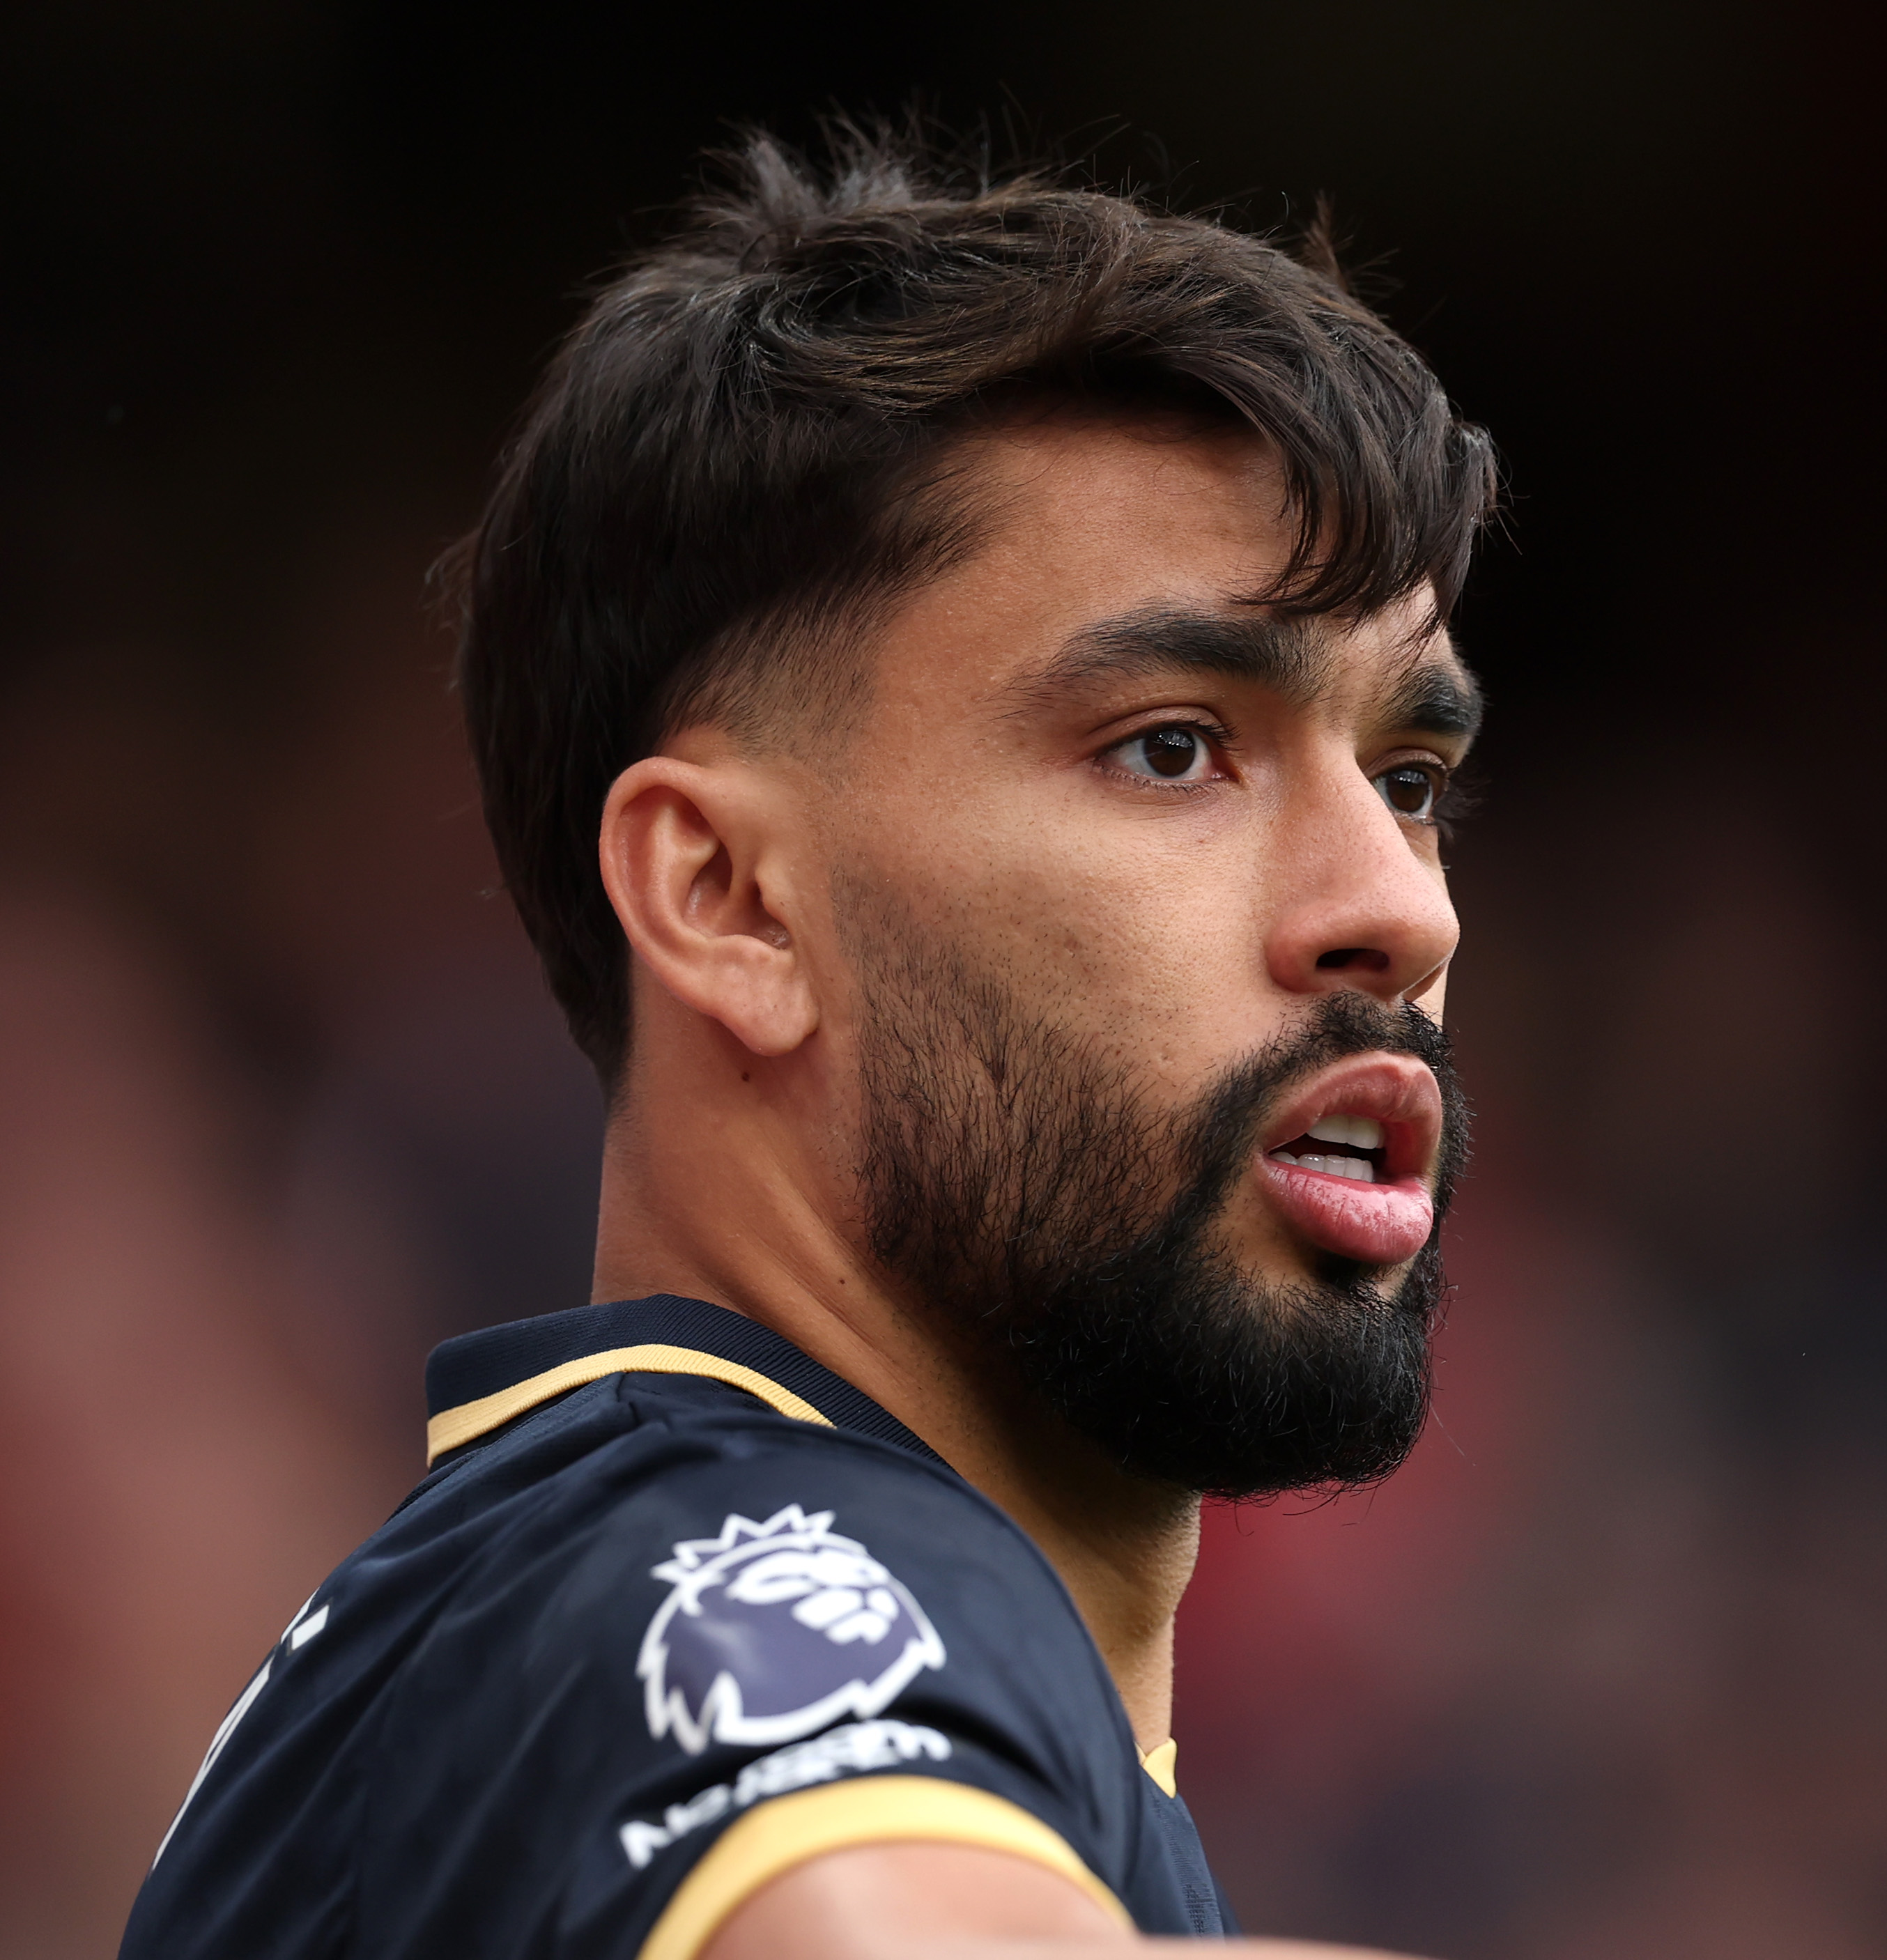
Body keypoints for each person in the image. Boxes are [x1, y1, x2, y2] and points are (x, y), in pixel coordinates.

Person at [123, 125, 1497, 1959]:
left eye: (1408, 778)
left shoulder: (559, 1628)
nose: (1400, 910)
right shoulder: (680, 1567)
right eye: (1172, 746)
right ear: (731, 904)